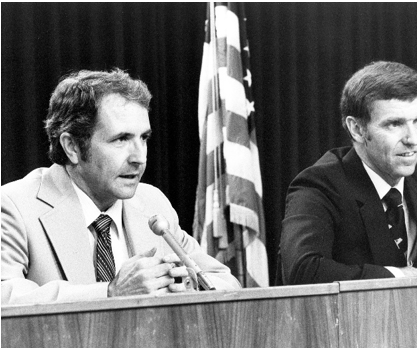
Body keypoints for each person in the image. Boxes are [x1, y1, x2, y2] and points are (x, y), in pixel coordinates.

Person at [1, 69, 240, 305]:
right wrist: (110, 293)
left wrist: (188, 286)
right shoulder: (16, 206)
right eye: (121, 139)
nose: (139, 157)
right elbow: (5, 295)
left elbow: (224, 282)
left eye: (143, 138)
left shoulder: (152, 202)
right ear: (72, 147)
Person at [278, 61, 417, 285]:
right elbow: (303, 270)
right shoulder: (319, 185)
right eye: (394, 124)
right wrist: (403, 276)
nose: (413, 139)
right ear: (357, 129)